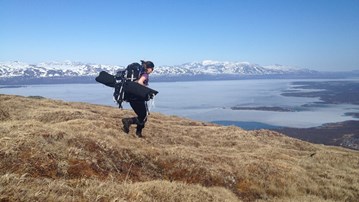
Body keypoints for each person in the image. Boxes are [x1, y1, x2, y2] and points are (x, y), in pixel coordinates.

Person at [121, 60, 154, 137]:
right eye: (152, 69)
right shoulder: (145, 74)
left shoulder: (139, 72)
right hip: (137, 98)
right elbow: (140, 82)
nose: (151, 71)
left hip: (131, 97)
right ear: (150, 68)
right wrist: (147, 90)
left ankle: (137, 132)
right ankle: (128, 122)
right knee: (143, 116)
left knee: (143, 116)